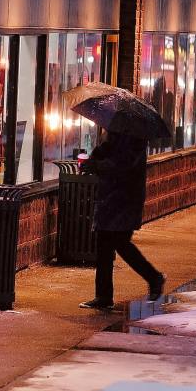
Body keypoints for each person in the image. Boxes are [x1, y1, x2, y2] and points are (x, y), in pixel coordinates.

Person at [79, 131, 165, 311]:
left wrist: (97, 165)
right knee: (104, 244)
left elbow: (122, 165)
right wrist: (94, 158)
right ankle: (103, 296)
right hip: (109, 197)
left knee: (121, 242)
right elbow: (105, 152)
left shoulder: (135, 138)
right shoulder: (116, 133)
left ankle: (154, 277)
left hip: (125, 198)